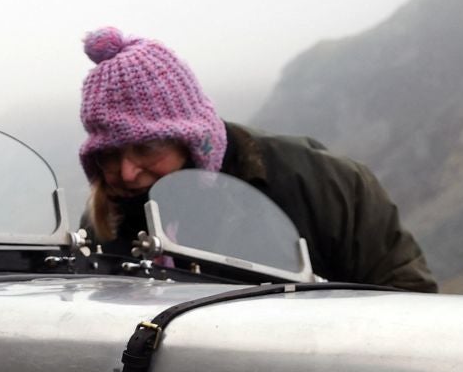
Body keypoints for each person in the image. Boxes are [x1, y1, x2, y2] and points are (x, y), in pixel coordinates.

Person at [78, 27, 435, 292]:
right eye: (108, 155)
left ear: (193, 139)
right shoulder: (106, 221)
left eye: (147, 147)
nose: (127, 172)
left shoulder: (323, 186)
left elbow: (408, 303)